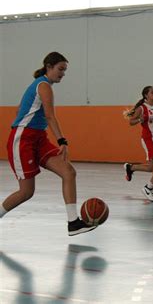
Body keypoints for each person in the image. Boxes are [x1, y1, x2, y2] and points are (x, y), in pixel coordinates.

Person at [0, 52, 96, 236]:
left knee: (68, 172)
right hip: (23, 139)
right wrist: (62, 140)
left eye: (65, 70)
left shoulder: (40, 86)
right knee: (26, 192)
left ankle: (73, 223)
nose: (63, 74)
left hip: (39, 138)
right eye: (60, 69)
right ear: (48, 66)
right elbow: (50, 115)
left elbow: (21, 109)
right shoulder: (43, 85)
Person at [122, 86, 153, 199]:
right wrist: (139, 120)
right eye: (152, 93)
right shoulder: (142, 108)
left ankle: (131, 168)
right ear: (146, 95)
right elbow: (131, 122)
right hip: (148, 138)